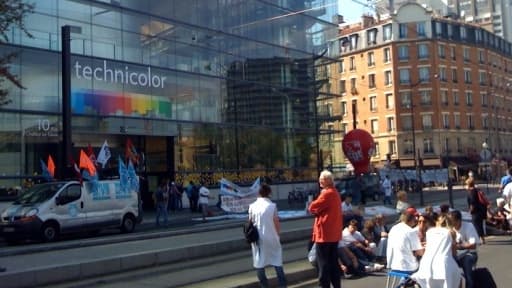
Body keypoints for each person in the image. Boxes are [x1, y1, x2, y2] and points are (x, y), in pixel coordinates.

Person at [248, 184, 287, 288]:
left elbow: (250, 223)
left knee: (259, 263)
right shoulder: (272, 206)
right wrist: (278, 235)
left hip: (258, 240)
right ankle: (282, 285)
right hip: (271, 237)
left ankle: (264, 285)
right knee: (277, 260)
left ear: (259, 193)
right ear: (269, 193)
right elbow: (276, 223)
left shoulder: (252, 206)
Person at [308, 170, 343, 288]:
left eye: (321, 179)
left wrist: (316, 209)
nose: (319, 181)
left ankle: (324, 286)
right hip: (334, 234)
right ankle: (336, 285)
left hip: (324, 235)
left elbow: (312, 207)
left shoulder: (326, 193)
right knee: (333, 263)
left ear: (327, 180)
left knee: (323, 264)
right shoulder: (335, 192)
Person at [411, 214, 462, 288]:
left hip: (426, 263)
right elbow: (454, 252)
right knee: (459, 278)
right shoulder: (451, 232)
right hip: (444, 264)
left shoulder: (430, 232)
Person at [386, 207, 424, 275]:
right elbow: (420, 252)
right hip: (408, 267)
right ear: (414, 219)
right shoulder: (410, 231)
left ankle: (405, 283)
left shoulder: (393, 228)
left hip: (393, 265)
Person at [449, 210, 480, 288]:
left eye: (452, 221)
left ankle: (470, 285)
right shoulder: (450, 228)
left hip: (469, 254)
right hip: (455, 255)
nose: (451, 223)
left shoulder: (468, 226)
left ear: (459, 220)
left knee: (467, 262)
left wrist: (459, 246)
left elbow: (473, 245)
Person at [465, 177, 487, 244]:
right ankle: (482, 239)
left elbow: (472, 203)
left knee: (476, 225)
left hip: (475, 211)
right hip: (481, 210)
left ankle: (479, 239)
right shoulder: (477, 190)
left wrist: (470, 211)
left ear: (468, 184)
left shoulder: (471, 192)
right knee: (480, 225)